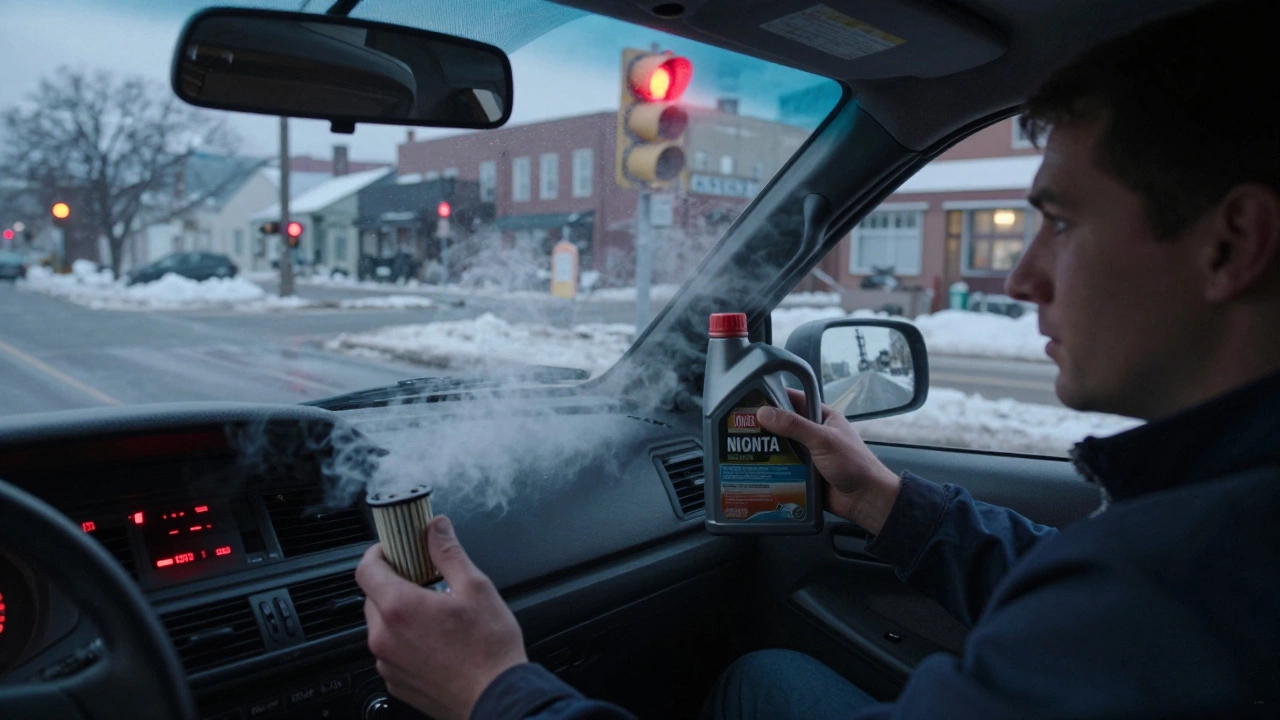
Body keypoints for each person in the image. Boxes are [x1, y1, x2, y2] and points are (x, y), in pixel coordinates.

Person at [354, 1, 1280, 718]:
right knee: (772, 678)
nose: (1017, 276)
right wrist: (889, 501)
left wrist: (490, 689)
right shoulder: (1207, 536)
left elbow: (1103, 609)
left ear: (1232, 242)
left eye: (1064, 222)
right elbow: (1079, 595)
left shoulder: (1175, 586)